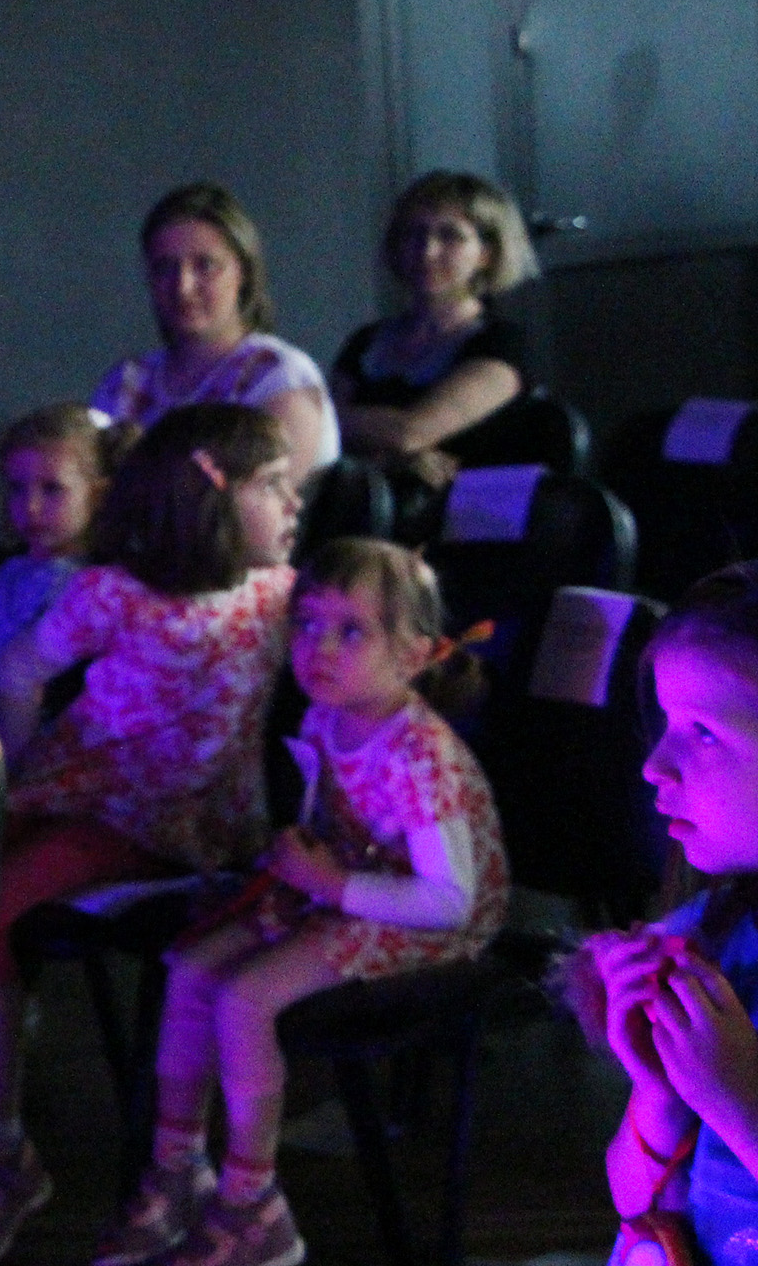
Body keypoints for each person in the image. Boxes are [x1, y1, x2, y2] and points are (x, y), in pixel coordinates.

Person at [0, 403, 302, 1266]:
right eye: (275, 485)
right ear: (212, 495)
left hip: (169, 826)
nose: (295, 503)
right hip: (80, 791)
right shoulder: (114, 591)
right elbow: (20, 671)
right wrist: (9, 781)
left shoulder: (278, 596)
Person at [91, 538, 507, 1266]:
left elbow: (450, 899)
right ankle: (178, 1168)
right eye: (308, 624)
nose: (319, 647)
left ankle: (254, 1208)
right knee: (190, 967)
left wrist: (329, 885)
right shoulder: (325, 716)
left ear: (412, 654)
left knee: (244, 999)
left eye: (351, 630)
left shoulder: (419, 755)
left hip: (427, 921)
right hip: (351, 886)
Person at [578, 563, 758, 1266]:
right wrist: (659, 1094)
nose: (656, 765)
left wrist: (740, 1105)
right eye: (667, 723)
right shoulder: (714, 939)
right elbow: (633, 1206)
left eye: (704, 733)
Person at [94, 183, 339, 480]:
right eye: (164, 268)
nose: (182, 287)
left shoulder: (278, 377)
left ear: (243, 272)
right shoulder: (126, 383)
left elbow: (258, 501)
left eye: (206, 265)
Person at [0, 403, 136, 712]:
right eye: (17, 488)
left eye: (52, 489)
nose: (30, 506)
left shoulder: (88, 589)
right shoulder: (13, 566)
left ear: (98, 496)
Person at [332, 170, 540, 490]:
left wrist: (356, 431)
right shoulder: (366, 342)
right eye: (414, 234)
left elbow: (410, 433)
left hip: (476, 511)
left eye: (450, 236)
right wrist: (392, 458)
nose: (427, 251)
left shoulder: (501, 344)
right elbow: (321, 431)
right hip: (376, 500)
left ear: (486, 254)